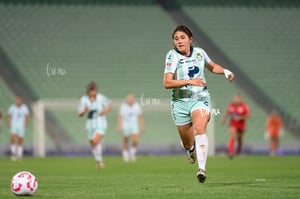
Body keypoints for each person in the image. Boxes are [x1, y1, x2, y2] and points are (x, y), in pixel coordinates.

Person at [163, 25, 234, 183]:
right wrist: (190, 81)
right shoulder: (172, 56)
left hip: (200, 99)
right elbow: (167, 83)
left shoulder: (200, 53)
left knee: (200, 128)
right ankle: (190, 148)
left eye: (182, 37)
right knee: (188, 143)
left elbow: (212, 66)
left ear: (190, 39)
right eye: (176, 39)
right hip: (180, 103)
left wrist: (225, 71)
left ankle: (202, 169)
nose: (179, 41)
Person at [78, 82, 112, 169]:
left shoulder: (101, 97)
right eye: (91, 90)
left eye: (94, 90)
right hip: (90, 124)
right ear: (88, 91)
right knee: (93, 143)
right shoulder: (84, 100)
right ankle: (99, 161)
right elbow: (80, 113)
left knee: (95, 141)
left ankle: (99, 160)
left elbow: (110, 105)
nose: (92, 92)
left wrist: (105, 111)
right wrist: (85, 110)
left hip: (101, 123)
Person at [117, 94, 144, 162]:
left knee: (135, 140)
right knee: (125, 140)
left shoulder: (136, 106)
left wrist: (141, 126)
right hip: (125, 124)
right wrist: (119, 126)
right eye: (129, 99)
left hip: (134, 124)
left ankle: (132, 153)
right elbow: (121, 116)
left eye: (131, 99)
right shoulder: (123, 106)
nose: (130, 101)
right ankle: (125, 155)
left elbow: (140, 116)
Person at [221, 94, 250, 158]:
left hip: (241, 125)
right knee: (232, 136)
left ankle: (238, 152)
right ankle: (231, 152)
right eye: (235, 99)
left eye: (238, 99)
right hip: (232, 124)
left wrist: (241, 118)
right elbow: (227, 112)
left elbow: (248, 116)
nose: (236, 100)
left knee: (239, 139)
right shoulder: (231, 105)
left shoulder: (244, 106)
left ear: (241, 100)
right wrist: (223, 118)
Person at [6, 96, 30, 161]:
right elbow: (8, 115)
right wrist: (8, 123)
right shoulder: (12, 107)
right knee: (13, 138)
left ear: (21, 101)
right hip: (14, 125)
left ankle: (19, 155)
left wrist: (26, 123)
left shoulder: (24, 107)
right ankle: (13, 153)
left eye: (19, 100)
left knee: (20, 140)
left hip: (21, 126)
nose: (17, 101)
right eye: (17, 100)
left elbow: (28, 116)